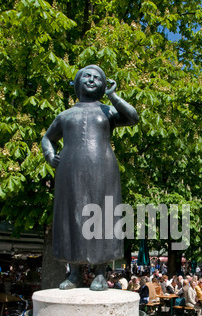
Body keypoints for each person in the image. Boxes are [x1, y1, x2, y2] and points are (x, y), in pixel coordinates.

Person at [41, 64, 139, 290]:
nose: (92, 79)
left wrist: (113, 96)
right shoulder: (65, 115)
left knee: (102, 215)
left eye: (97, 77)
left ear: (103, 85)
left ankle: (100, 273)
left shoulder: (107, 111)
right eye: (87, 76)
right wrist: (50, 156)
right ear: (77, 83)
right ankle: (74, 273)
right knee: (71, 217)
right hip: (70, 170)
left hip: (103, 168)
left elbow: (133, 117)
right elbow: (48, 138)